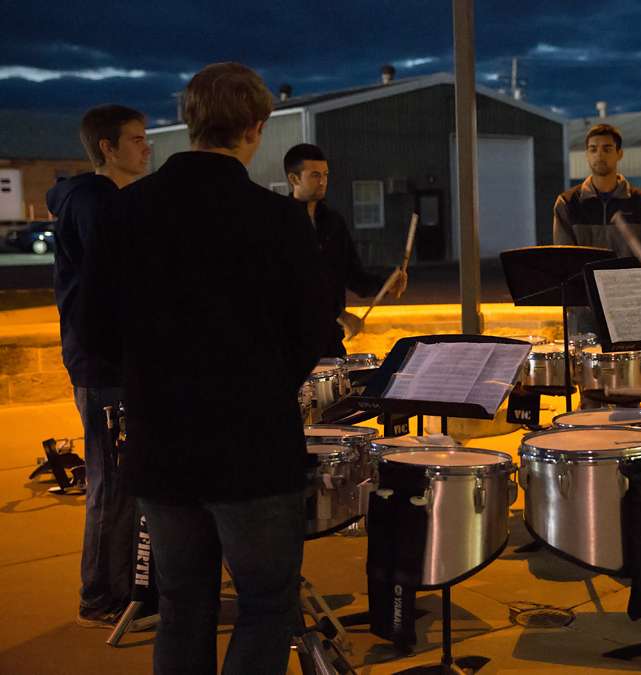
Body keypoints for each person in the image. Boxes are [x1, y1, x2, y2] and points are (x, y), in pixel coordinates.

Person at [88, 62, 330, 673]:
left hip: (162, 446)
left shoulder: (123, 212)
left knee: (182, 604)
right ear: (254, 127)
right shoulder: (277, 220)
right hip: (252, 449)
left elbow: (93, 330)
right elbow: (313, 333)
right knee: (266, 604)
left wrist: (155, 374)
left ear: (190, 121)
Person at [48, 104, 149, 628]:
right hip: (104, 366)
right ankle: (101, 596)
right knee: (110, 481)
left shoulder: (98, 199)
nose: (147, 147)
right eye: (136, 139)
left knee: (123, 479)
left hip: (107, 362)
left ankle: (126, 584)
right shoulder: (96, 200)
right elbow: (116, 282)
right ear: (107, 148)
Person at [284, 143, 406, 356]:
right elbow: (292, 286)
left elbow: (353, 275)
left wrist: (386, 285)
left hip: (330, 339)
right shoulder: (279, 222)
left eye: (325, 174)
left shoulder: (334, 223)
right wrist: (340, 314)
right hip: (290, 340)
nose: (323, 181)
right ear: (294, 179)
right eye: (314, 175)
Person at [553, 123, 641, 257]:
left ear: (619, 154)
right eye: (593, 149)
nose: (599, 155)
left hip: (631, 282)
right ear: (587, 154)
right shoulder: (567, 203)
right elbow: (564, 259)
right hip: (585, 282)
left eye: (607, 149)